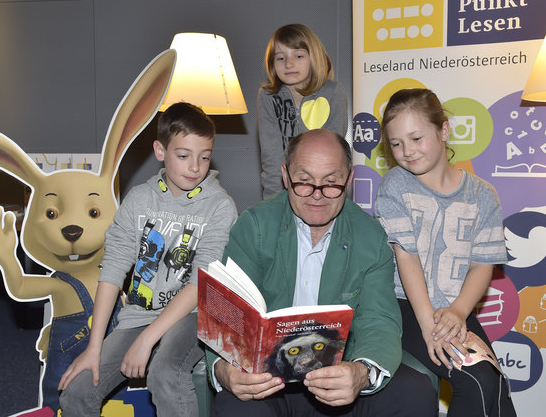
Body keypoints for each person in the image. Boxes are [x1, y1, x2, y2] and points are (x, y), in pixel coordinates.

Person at [207, 129, 437, 416]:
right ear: (285, 176)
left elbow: (379, 319)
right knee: (237, 408)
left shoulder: (370, 236)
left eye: (331, 183)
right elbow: (228, 315)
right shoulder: (254, 225)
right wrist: (225, 371)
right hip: (269, 382)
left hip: (339, 374)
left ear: (349, 179)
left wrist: (361, 373)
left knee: (414, 393)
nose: (317, 196)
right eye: (303, 181)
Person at [58, 102, 238, 417]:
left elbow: (200, 284)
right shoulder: (140, 198)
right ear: (160, 150)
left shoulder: (219, 206)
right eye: (183, 156)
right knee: (77, 392)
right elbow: (113, 268)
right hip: (141, 314)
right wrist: (94, 346)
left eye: (204, 156)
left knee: (165, 373)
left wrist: (147, 340)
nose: (195, 167)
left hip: (196, 314)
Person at [374, 88, 516, 416]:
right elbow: (405, 257)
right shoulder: (395, 186)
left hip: (454, 310)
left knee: (495, 387)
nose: (406, 151)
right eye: (396, 144)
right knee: (477, 381)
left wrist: (458, 312)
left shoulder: (483, 193)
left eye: (416, 138)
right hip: (405, 308)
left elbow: (482, 264)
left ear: (444, 131)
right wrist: (428, 326)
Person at [258, 23, 351, 199]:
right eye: (280, 58)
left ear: (314, 58)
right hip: (284, 191)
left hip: (324, 191)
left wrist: (322, 195)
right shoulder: (268, 96)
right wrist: (272, 203)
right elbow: (271, 158)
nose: (289, 64)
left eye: (298, 55)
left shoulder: (333, 92)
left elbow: (333, 156)